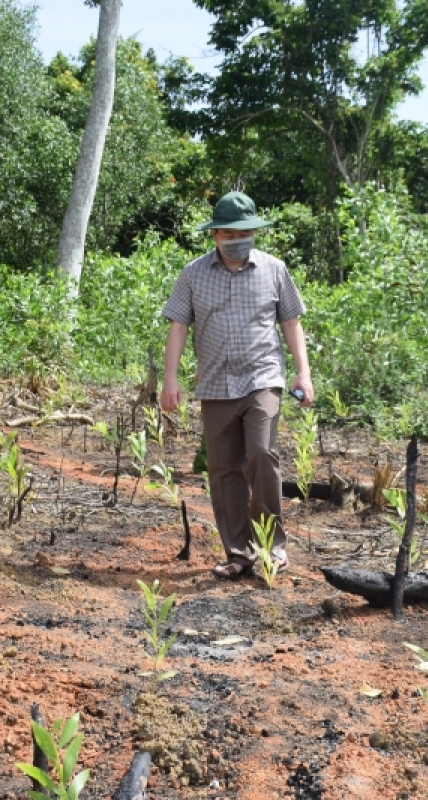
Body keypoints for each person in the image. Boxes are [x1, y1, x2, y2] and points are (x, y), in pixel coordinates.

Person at [159, 191, 314, 580]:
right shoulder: (193, 274)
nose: (237, 239)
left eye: (244, 232)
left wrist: (303, 373)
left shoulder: (274, 269)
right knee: (224, 468)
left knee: (262, 455)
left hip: (262, 377)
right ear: (214, 235)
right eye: (228, 233)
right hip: (214, 383)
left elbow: (291, 322)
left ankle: (272, 549)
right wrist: (170, 379)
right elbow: (179, 326)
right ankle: (239, 553)